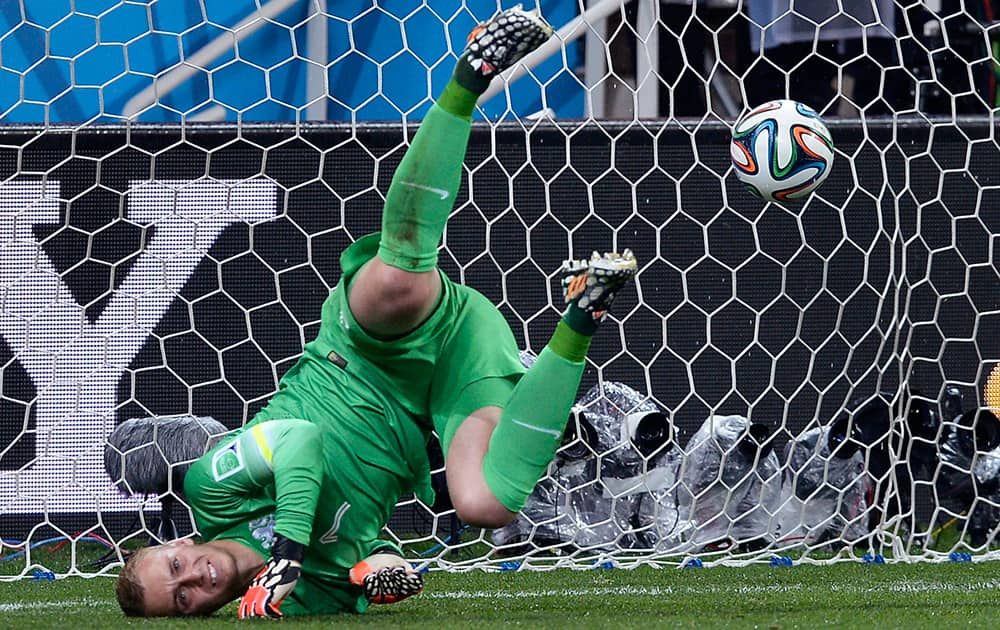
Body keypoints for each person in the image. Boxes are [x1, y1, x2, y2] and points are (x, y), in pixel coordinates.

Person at [114, 5, 638, 618]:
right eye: (183, 600)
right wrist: (388, 576)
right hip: (440, 387)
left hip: (362, 348)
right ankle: (584, 315)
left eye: (177, 567)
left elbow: (298, 440)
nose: (194, 579)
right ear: (195, 615)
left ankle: (473, 72)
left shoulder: (211, 488)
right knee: (483, 503)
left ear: (179, 540)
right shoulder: (293, 603)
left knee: (395, 281)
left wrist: (289, 548)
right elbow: (372, 568)